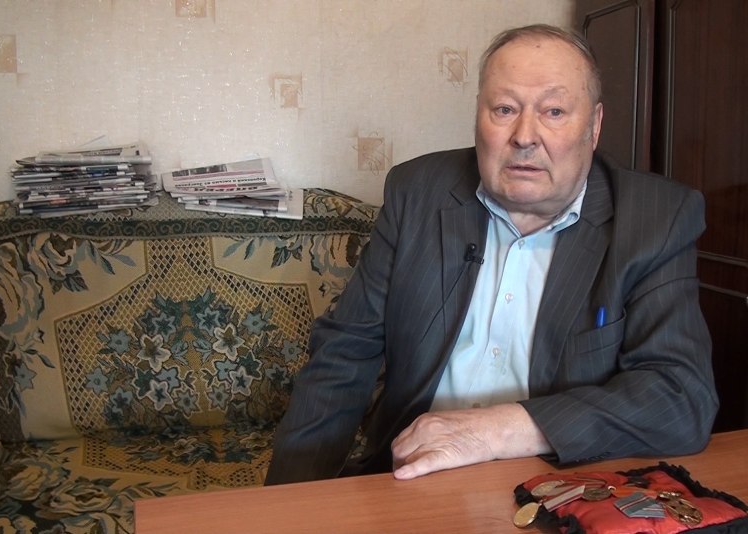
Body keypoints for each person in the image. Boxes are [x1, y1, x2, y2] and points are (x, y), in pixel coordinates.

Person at [264, 24, 718, 485]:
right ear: (478, 116)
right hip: (413, 479)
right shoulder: (417, 192)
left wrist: (499, 430)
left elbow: (681, 397)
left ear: (594, 126)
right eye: (505, 109)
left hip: (561, 483)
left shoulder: (655, 219)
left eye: (554, 111)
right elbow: (344, 354)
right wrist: (287, 502)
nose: (525, 136)